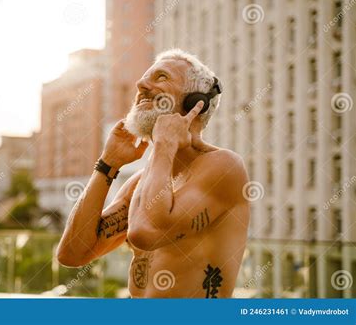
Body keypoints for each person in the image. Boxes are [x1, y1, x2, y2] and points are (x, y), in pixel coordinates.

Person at [56, 48, 250, 298]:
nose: (140, 84)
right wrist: (108, 164)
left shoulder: (224, 166)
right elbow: (72, 254)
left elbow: (145, 233)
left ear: (195, 103)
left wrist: (164, 144)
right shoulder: (142, 182)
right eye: (144, 79)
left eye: (160, 77)